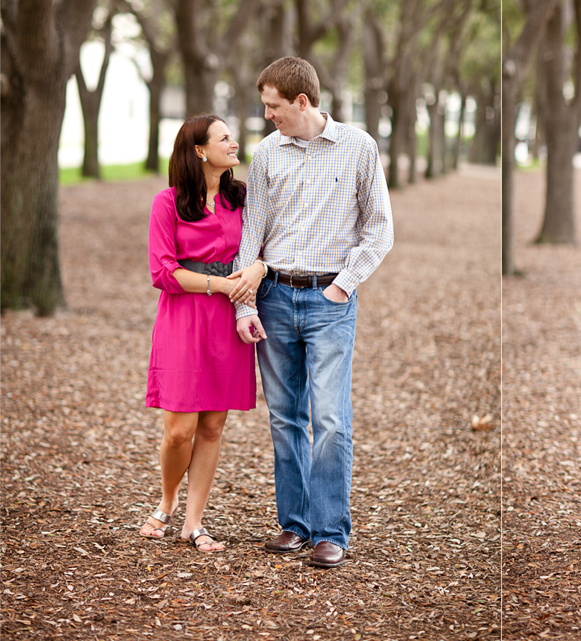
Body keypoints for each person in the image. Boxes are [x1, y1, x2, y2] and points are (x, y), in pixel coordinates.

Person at [231, 57, 393, 569]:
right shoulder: (267, 154)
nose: (267, 115)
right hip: (275, 298)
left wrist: (344, 288)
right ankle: (294, 525)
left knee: (329, 419)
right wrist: (246, 304)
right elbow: (251, 234)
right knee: (284, 418)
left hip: (329, 301)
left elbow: (379, 229)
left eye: (274, 106)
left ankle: (329, 530)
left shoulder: (359, 147)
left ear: (303, 102)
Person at [141, 115, 266, 552]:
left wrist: (255, 270)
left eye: (232, 137)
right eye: (224, 138)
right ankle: (167, 500)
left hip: (228, 321)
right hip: (183, 319)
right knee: (179, 430)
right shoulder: (168, 203)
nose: (234, 144)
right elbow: (164, 271)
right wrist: (221, 284)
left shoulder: (242, 198)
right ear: (199, 151)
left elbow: (262, 247)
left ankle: (194, 523)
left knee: (212, 427)